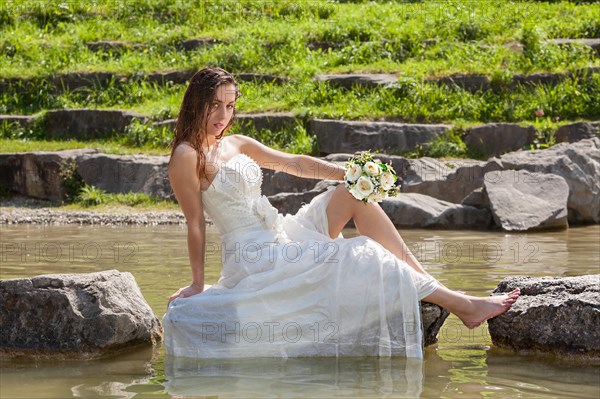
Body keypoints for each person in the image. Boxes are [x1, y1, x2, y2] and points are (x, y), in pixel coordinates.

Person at [162, 67, 520, 358]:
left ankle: (433, 286)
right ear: (197, 103)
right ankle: (462, 305)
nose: (223, 115)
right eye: (215, 105)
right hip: (255, 255)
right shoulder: (186, 156)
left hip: (282, 231)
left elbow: (294, 164)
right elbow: (195, 223)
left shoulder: (235, 143)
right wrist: (197, 283)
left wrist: (354, 172)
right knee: (363, 255)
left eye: (229, 105)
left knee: (354, 195)